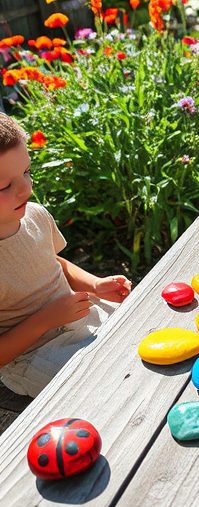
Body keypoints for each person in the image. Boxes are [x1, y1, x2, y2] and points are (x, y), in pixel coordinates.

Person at [0, 114, 131, 397]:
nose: (24, 188)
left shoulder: (34, 215)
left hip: (82, 316)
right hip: (33, 355)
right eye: (4, 186)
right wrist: (46, 320)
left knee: (142, 334)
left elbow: (54, 262)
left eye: (26, 172)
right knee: (106, 387)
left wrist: (96, 285)